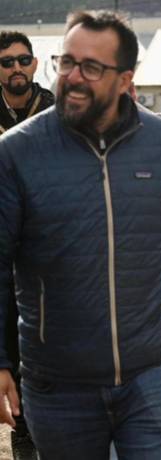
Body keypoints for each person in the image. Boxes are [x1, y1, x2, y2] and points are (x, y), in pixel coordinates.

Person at [0, 10, 161, 459]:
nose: (73, 77)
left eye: (91, 67)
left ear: (125, 78)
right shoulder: (17, 153)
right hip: (59, 383)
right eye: (66, 62)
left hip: (152, 372)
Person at [0, 30, 55, 460]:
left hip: (49, 242)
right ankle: (22, 438)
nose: (16, 68)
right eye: (6, 62)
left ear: (35, 64)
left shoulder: (58, 110)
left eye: (23, 60)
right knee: (8, 341)